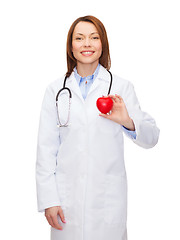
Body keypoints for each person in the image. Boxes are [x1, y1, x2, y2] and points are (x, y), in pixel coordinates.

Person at [36, 15, 160, 240]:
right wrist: (49, 200)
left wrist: (127, 122)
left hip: (107, 201)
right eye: (79, 38)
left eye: (94, 37)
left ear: (102, 44)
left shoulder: (121, 87)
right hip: (67, 201)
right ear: (70, 47)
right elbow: (46, 151)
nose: (87, 44)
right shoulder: (56, 91)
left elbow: (152, 137)